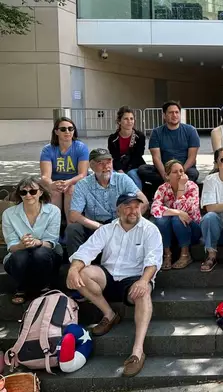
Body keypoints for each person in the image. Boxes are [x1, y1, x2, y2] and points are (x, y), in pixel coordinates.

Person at [66, 193, 162, 378]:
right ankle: (109, 315)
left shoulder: (150, 229)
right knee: (81, 272)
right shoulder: (107, 229)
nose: (133, 210)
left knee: (144, 292)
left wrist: (143, 281)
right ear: (118, 209)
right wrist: (73, 270)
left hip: (134, 278)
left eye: (136, 206)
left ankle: (137, 351)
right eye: (128, 206)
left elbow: (153, 261)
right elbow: (86, 251)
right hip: (108, 276)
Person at [65, 148, 149, 257]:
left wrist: (125, 221)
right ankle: (76, 265)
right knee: (73, 229)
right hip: (94, 226)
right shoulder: (83, 184)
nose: (106, 167)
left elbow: (144, 202)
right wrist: (99, 226)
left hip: (120, 224)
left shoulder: (122, 179)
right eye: (101, 163)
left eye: (109, 162)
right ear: (92, 165)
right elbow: (74, 215)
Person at [2, 176, 62, 305]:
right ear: (19, 194)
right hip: (19, 252)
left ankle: (44, 288)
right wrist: (21, 244)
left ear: (40, 192)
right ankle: (21, 289)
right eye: (23, 192)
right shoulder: (8, 213)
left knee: (40, 253)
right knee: (19, 256)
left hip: (46, 251)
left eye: (33, 191)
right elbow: (11, 245)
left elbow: (52, 240)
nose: (28, 195)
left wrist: (38, 242)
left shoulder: (53, 211)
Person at [151, 160, 202, 271]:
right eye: (175, 172)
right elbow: (155, 209)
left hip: (192, 230)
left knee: (176, 219)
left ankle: (185, 254)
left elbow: (188, 210)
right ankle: (167, 254)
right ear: (167, 176)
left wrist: (181, 188)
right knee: (161, 220)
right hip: (171, 232)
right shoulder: (162, 188)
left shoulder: (192, 187)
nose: (179, 174)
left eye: (181, 171)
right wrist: (177, 212)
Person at [138, 101, 200, 188]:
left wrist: (180, 172)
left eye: (177, 112)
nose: (174, 115)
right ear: (164, 115)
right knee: (142, 170)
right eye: (171, 112)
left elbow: (192, 157)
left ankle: (166, 186)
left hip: (184, 169)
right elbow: (156, 158)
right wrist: (165, 175)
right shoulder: (156, 132)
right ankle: (172, 184)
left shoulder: (191, 131)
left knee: (193, 173)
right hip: (165, 169)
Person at [40, 117, 89, 224]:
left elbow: (83, 174)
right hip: (56, 182)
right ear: (56, 132)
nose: (67, 132)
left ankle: (70, 227)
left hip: (76, 182)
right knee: (54, 191)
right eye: (63, 129)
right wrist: (51, 184)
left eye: (70, 129)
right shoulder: (48, 150)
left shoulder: (81, 147)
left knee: (70, 190)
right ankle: (54, 228)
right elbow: (45, 176)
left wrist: (68, 182)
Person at [108, 106, 146, 190]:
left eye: (131, 119)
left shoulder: (139, 136)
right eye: (126, 119)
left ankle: (138, 197)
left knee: (132, 174)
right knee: (111, 176)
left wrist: (127, 171)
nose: (129, 121)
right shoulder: (113, 138)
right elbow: (114, 157)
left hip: (134, 165)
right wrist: (120, 170)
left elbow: (138, 155)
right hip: (118, 165)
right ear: (119, 121)